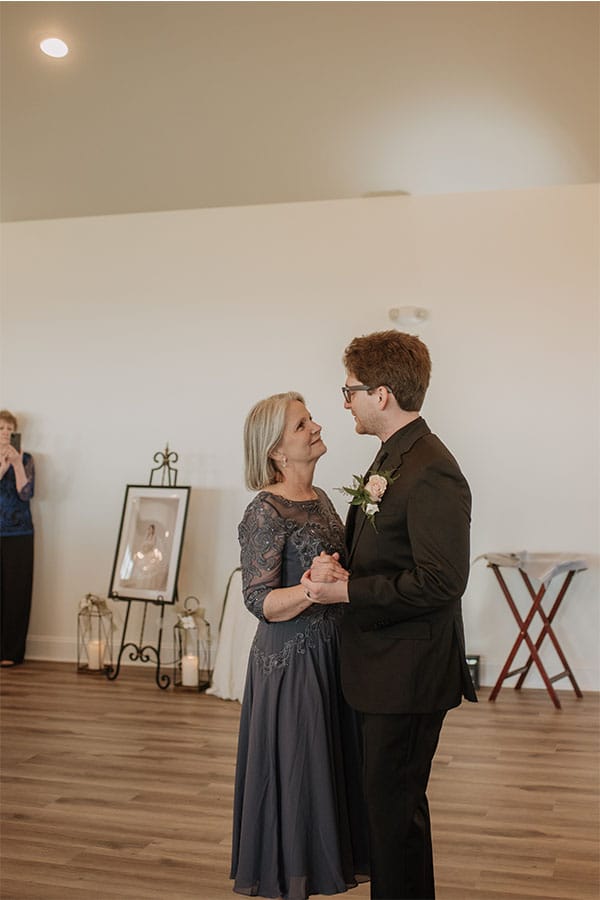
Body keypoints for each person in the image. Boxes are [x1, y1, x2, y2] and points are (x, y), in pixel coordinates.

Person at [302, 331, 476, 900]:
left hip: (409, 671)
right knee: (391, 813)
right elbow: (392, 551)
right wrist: (343, 567)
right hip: (386, 667)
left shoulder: (431, 469)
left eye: (349, 390)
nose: (344, 401)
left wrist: (351, 593)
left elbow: (442, 581)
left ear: (381, 394)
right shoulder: (395, 455)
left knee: (395, 815)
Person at [231, 392, 369, 900]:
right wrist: (313, 585)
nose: (314, 427)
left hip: (333, 656)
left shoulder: (322, 499)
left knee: (327, 775)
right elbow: (259, 600)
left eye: (310, 419)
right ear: (276, 451)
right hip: (291, 662)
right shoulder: (265, 509)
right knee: (297, 776)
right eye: (300, 425)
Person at [0, 409, 35, 667]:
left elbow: (26, 494)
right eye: (1, 429)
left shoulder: (27, 459)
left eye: (9, 430)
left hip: (20, 532)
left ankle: (12, 652)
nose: (5, 434)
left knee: (16, 591)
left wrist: (16, 465)